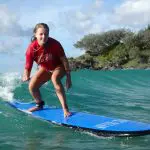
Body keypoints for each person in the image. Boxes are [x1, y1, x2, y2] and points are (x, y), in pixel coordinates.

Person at [22, 23, 72, 118]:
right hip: (46, 68)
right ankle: (39, 105)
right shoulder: (31, 48)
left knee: (55, 78)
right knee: (32, 86)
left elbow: (64, 60)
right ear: (35, 34)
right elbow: (28, 65)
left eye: (46, 34)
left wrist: (68, 77)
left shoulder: (55, 44)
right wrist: (26, 75)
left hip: (59, 66)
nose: (44, 36)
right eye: (41, 34)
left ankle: (65, 109)